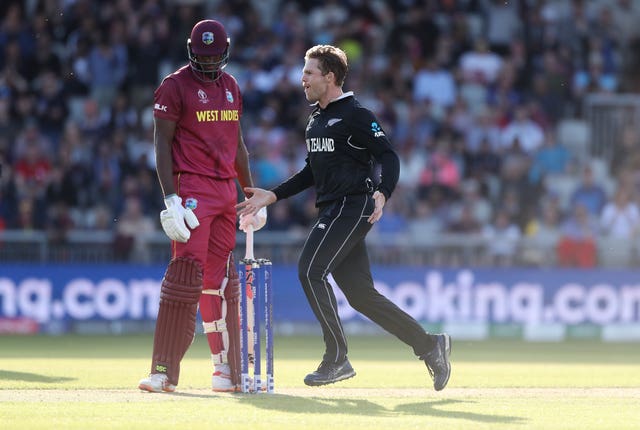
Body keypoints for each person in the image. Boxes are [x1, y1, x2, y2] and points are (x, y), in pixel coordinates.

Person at [237, 44, 451, 391]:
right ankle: (430, 345)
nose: (302, 79)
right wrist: (273, 195)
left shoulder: (355, 114)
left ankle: (337, 358)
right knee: (360, 296)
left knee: (309, 270)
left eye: (309, 72)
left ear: (329, 77)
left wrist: (383, 192)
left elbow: (389, 155)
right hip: (334, 209)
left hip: (353, 206)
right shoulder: (316, 119)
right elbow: (312, 171)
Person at [138, 19, 265, 393]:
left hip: (227, 191)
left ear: (224, 53)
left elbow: (237, 145)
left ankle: (225, 370)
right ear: (191, 50)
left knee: (221, 281)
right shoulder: (174, 86)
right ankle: (163, 371)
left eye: (215, 57)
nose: (209, 64)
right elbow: (161, 143)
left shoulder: (231, 87)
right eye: (202, 56)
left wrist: (250, 193)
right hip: (191, 188)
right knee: (185, 277)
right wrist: (169, 196)